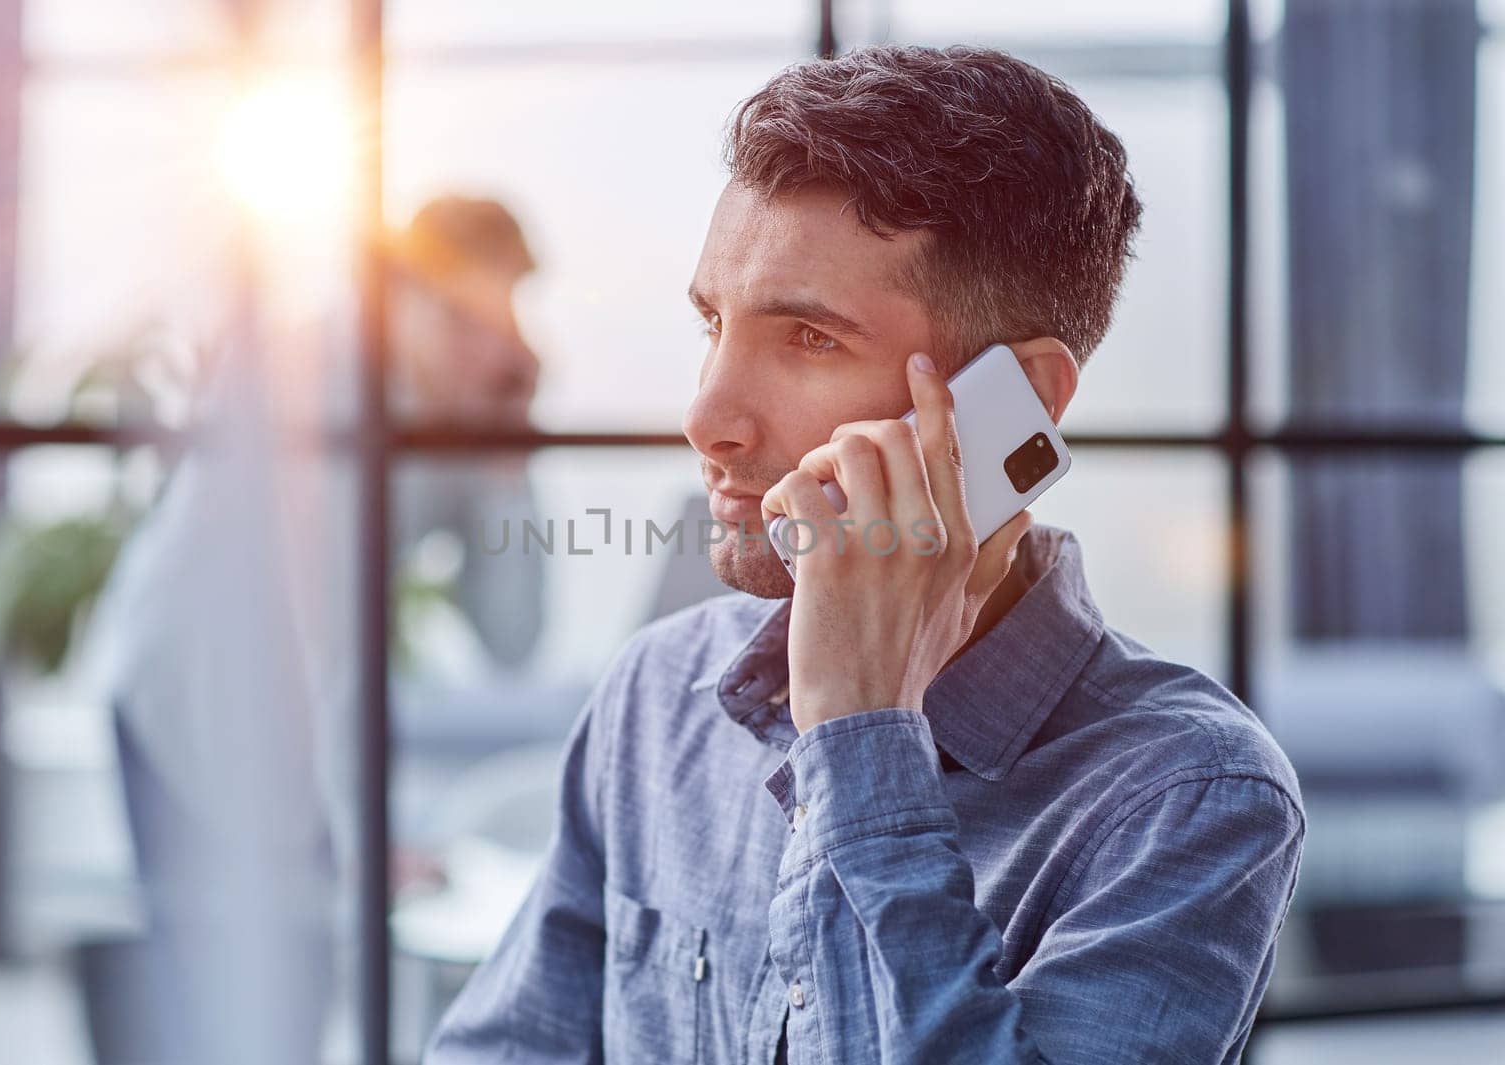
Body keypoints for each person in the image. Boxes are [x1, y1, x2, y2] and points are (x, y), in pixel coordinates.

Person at [425, 45, 1303, 1064]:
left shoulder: (1184, 798)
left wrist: (861, 736)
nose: (706, 416)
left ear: (1013, 403)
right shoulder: (659, 695)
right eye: (714, 322)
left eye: (809, 339)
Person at [93, 195, 545, 1064]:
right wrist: (355, 832)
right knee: (236, 1003)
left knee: (283, 1004)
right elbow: (306, 639)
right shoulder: (325, 383)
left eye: (493, 316)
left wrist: (507, 461)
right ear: (397, 297)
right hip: (185, 694)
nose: (474, 340)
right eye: (453, 314)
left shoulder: (458, 411)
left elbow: (511, 638)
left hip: (278, 708)